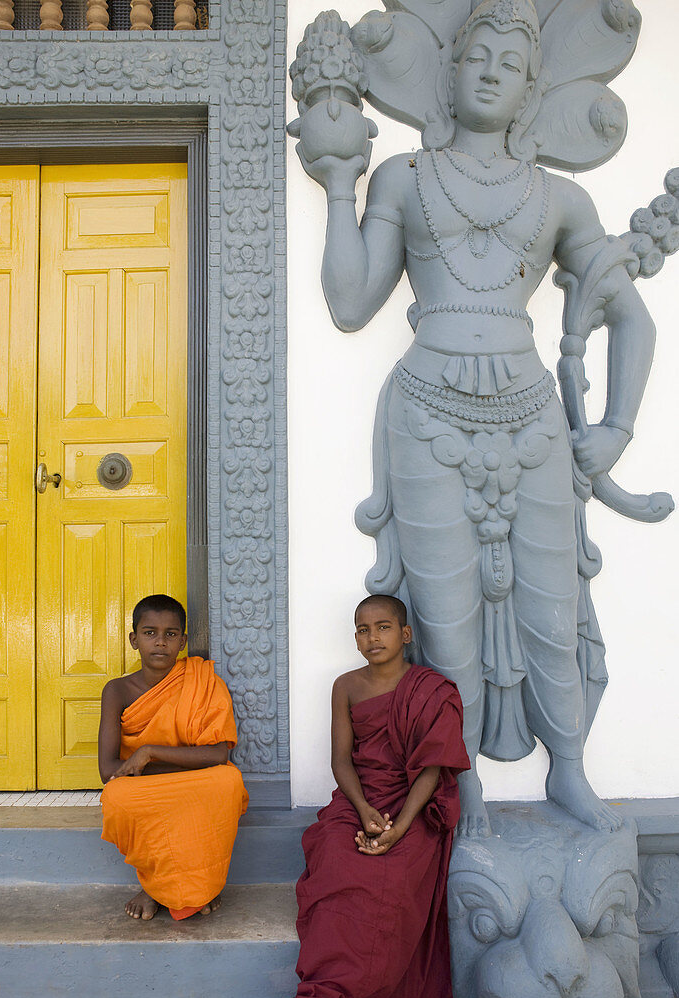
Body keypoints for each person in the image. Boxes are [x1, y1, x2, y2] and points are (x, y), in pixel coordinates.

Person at [295, 0, 656, 837]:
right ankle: (462, 785)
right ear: (447, 74)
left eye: (510, 63)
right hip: (426, 409)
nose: (491, 70)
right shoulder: (403, 178)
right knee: (444, 609)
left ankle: (568, 768)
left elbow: (630, 317)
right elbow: (350, 303)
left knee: (550, 604)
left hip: (529, 415)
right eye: (476, 57)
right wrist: (342, 181)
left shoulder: (559, 198)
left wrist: (616, 426)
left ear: (531, 90)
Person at [262, 594, 470, 998]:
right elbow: (341, 760)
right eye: (361, 629)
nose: (371, 638)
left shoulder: (431, 689)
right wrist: (363, 810)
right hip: (357, 802)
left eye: (382, 627)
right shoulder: (346, 687)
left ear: (405, 634)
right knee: (336, 871)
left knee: (392, 893)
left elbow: (434, 766)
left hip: (412, 810)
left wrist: (398, 826)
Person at [99, 594, 248, 920]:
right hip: (149, 786)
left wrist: (148, 753)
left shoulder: (203, 681)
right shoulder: (117, 691)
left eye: (170, 634)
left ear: (182, 641)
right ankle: (159, 887)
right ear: (134, 639)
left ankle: (196, 887)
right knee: (117, 797)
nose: (160, 642)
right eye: (150, 633)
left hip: (185, 779)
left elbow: (220, 754)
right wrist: (174, 765)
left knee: (228, 781)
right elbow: (108, 771)